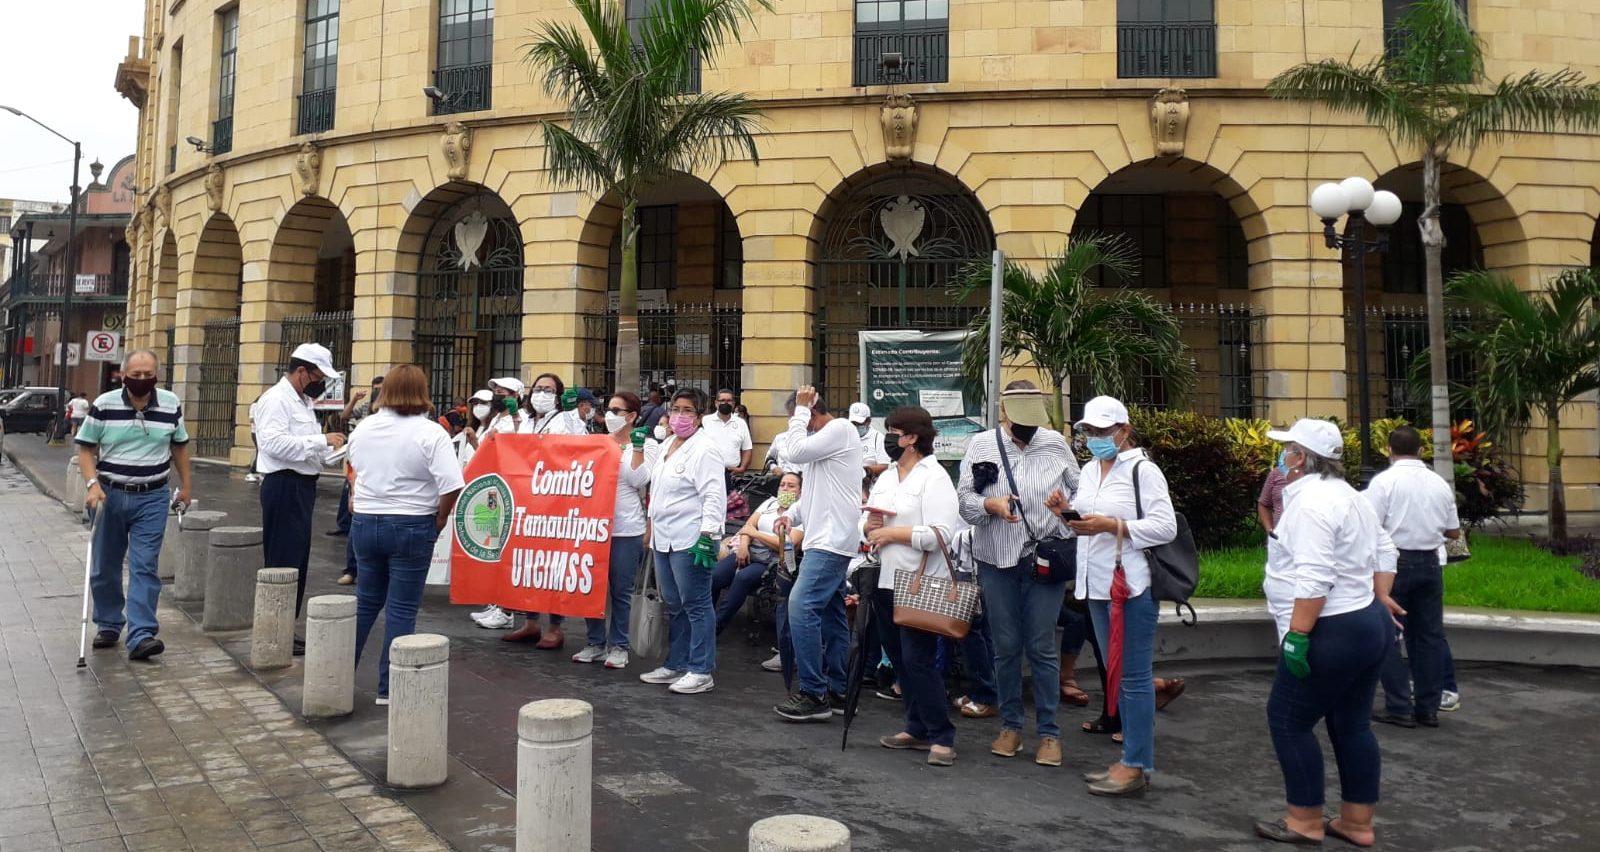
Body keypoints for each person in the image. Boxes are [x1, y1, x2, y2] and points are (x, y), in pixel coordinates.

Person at [1253, 418, 1399, 847]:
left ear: (1300, 458)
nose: (1281, 458)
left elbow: (1315, 577)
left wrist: (1298, 635)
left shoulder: (1311, 503)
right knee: (1352, 725)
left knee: (1287, 719)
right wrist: (1380, 595)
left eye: (1287, 450)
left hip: (1330, 629)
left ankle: (1304, 820)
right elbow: (1386, 549)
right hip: (1365, 621)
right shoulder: (1349, 496)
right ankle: (1356, 823)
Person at [956, 382, 1080, 768]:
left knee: (1042, 646)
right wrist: (989, 504)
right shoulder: (980, 446)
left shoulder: (1057, 444)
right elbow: (964, 501)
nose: (1026, 429)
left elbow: (1084, 498)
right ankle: (1010, 725)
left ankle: (1049, 733)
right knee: (1006, 646)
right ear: (1003, 412)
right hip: (996, 560)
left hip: (1045, 559)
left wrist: (1065, 507)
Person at [1058, 395, 1176, 796]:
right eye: (1089, 431)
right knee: (1119, 675)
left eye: (1103, 431)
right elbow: (1088, 518)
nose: (1095, 438)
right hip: (1097, 584)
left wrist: (1112, 525)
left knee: (1134, 677)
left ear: (1124, 431)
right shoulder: (1091, 469)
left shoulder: (1144, 471)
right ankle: (1130, 759)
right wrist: (1066, 514)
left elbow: (1165, 527)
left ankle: (1136, 763)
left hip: (1131, 586)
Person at [347, 365, 465, 704]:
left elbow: (354, 470)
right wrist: (440, 519)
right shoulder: (430, 433)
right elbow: (451, 484)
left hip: (367, 522)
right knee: (401, 607)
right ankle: (388, 688)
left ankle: (338, 671)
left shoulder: (364, 428)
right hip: (413, 522)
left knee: (366, 601)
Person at [76, 350, 193, 661]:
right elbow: (86, 449)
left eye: (148, 374)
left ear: (156, 375)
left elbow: (179, 447)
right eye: (136, 374)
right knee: (105, 565)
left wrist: (185, 487)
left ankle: (141, 635)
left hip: (152, 496)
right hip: (109, 494)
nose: (142, 380)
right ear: (124, 374)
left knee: (144, 565)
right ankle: (109, 622)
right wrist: (91, 484)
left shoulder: (170, 404)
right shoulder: (104, 404)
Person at [867, 407, 963, 767]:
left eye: (894, 432)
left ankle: (942, 735)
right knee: (899, 659)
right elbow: (871, 520)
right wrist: (872, 525)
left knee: (917, 659)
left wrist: (892, 532)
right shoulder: (889, 475)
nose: (889, 438)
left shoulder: (934, 476)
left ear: (911, 437)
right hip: (886, 577)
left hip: (920, 580)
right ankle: (916, 725)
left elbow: (941, 534)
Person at [772, 386, 863, 722]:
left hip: (830, 542)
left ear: (809, 415)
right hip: (826, 539)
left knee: (801, 605)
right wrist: (792, 515)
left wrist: (800, 411)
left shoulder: (840, 429)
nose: (795, 423)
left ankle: (814, 691)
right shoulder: (826, 443)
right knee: (832, 615)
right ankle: (837, 689)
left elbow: (793, 451)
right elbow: (817, 492)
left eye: (798, 417)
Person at [1366, 425, 1462, 729]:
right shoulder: (1439, 484)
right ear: (1422, 451)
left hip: (1393, 563)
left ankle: (1398, 706)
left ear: (1389, 451)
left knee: (1387, 635)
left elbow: (1368, 526)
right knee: (1429, 637)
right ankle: (1428, 708)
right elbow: (1454, 532)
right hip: (1430, 563)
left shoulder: (1383, 483)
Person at [252, 342, 346, 652]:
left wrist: (333, 451)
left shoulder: (301, 401)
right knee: (283, 558)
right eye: (318, 375)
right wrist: (320, 440)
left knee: (298, 558)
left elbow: (303, 450)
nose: (321, 383)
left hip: (302, 484)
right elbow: (273, 445)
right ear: (302, 371)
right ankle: (276, 630)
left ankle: (285, 627)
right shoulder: (276, 400)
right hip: (283, 485)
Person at [638, 389, 726, 694]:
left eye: (688, 410)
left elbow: (714, 495)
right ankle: (676, 663)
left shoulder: (705, 449)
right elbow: (657, 490)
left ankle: (701, 669)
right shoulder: (667, 445)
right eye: (676, 409)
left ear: (700, 416)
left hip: (692, 538)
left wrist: (708, 534)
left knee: (697, 603)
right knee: (675, 605)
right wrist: (649, 526)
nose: (680, 416)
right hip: (664, 537)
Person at [496, 372, 588, 646]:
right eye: (538, 388)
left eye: (549, 390)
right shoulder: (525, 420)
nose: (542, 394)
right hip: (527, 501)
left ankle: (555, 626)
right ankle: (531, 621)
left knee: (554, 564)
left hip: (556, 500)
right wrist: (514, 420)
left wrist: (572, 412)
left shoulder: (563, 419)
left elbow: (579, 443)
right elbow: (513, 450)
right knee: (530, 562)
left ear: (558, 395)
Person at [572, 391, 655, 670]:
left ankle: (619, 645)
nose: (610, 414)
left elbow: (639, 479)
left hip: (625, 528)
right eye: (608, 408)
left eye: (617, 410)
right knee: (590, 586)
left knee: (620, 589)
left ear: (631, 416)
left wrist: (638, 448)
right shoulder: (597, 442)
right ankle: (595, 642)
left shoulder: (647, 445)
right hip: (593, 525)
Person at [712, 472, 803, 633]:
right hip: (747, 551)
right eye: (782, 485)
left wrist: (757, 534)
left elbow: (787, 544)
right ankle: (706, 619)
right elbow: (748, 526)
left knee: (742, 578)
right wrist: (743, 546)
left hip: (771, 562)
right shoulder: (770, 503)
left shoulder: (801, 513)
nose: (785, 489)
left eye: (791, 486)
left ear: (800, 491)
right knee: (716, 576)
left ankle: (716, 625)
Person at [332, 375, 383, 539]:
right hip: (358, 453)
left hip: (376, 454)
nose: (377, 392)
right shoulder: (365, 406)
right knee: (349, 486)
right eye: (375, 389)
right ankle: (345, 523)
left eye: (381, 389)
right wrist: (354, 399)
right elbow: (345, 415)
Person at [702, 387, 753, 474]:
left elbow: (747, 448)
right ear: (716, 403)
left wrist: (743, 468)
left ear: (733, 404)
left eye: (729, 401)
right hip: (708, 471)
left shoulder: (741, 423)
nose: (725, 403)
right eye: (722, 400)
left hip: (732, 473)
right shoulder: (705, 421)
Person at [847, 402, 891, 478]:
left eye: (859, 423)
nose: (856, 426)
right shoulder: (845, 436)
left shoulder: (878, 438)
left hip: (869, 482)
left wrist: (862, 471)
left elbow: (885, 465)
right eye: (853, 423)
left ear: (868, 422)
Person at [764, 393, 802, 475]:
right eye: (790, 417)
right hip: (784, 482)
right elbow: (769, 458)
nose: (792, 421)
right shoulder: (780, 438)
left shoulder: (815, 439)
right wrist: (774, 467)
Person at [1258, 449, 1289, 533]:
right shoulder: (1276, 474)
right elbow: (1264, 504)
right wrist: (1270, 530)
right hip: (1280, 538)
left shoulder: (1318, 475)